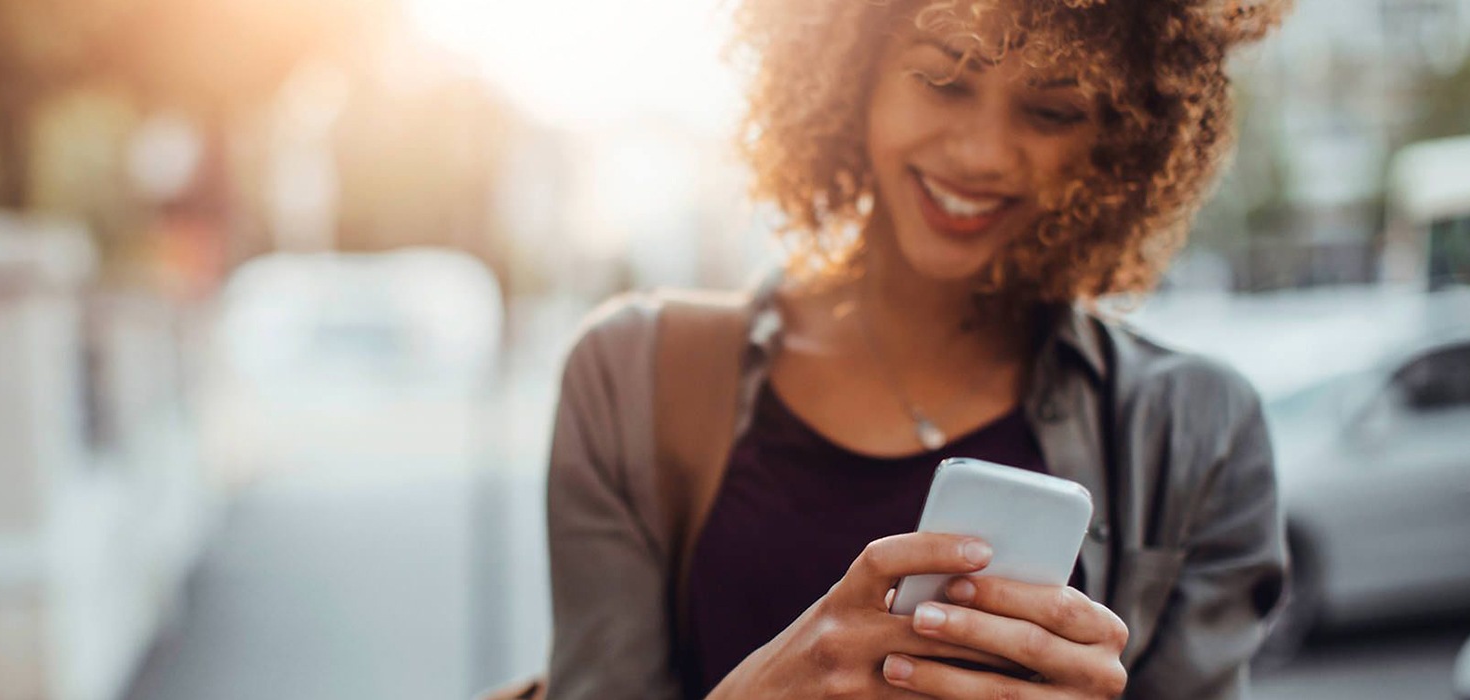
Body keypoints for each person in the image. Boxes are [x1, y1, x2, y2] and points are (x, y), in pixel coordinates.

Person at [543, 0, 1292, 698]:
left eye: (1052, 110)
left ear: (1120, 139)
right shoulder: (633, 375)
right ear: (850, 71)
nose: (981, 153)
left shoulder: (1201, 429)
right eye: (942, 80)